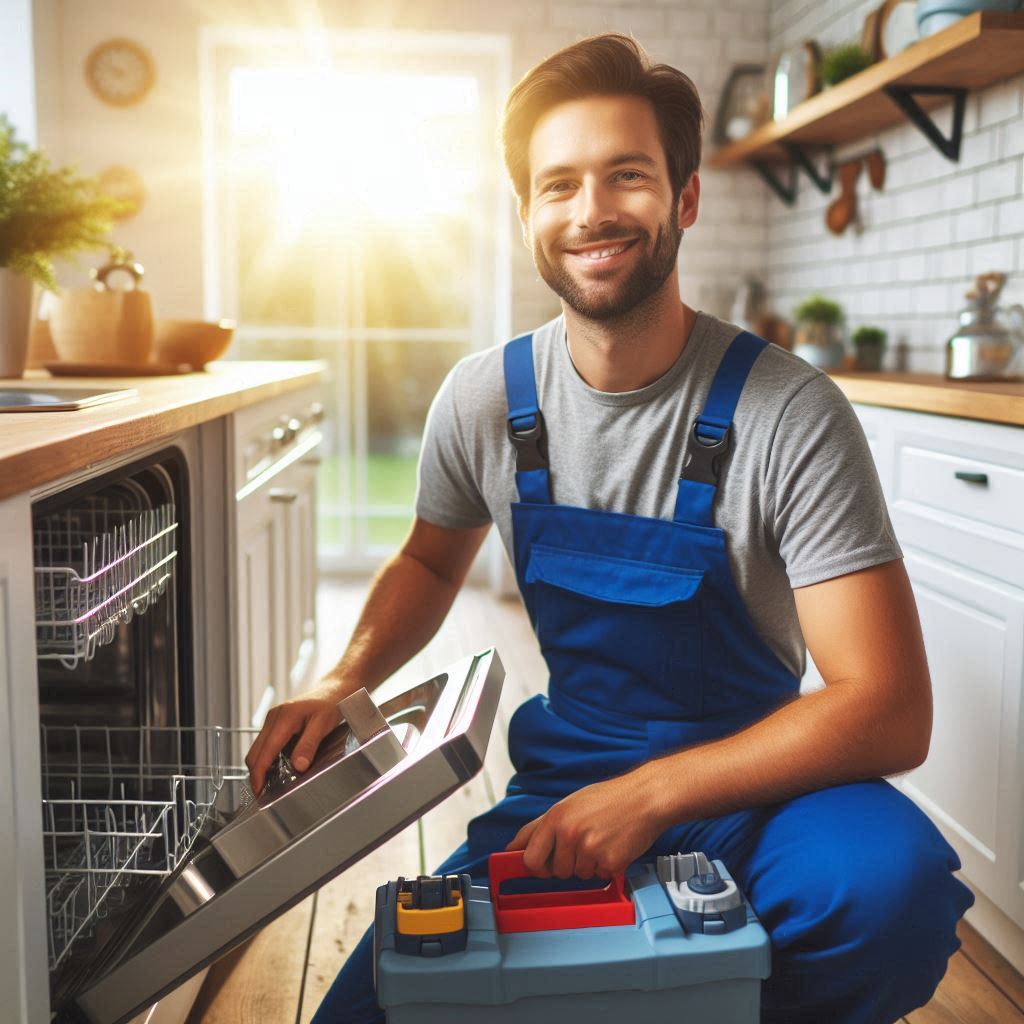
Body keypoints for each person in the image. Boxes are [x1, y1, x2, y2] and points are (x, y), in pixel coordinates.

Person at [246, 33, 973, 1024]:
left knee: (890, 893)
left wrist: (658, 792)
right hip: (570, 788)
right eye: (558, 185)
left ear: (684, 198)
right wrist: (343, 678)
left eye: (625, 175)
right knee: (377, 1007)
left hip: (762, 789)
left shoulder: (789, 412)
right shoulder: (483, 400)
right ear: (526, 216)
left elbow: (888, 706)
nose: (590, 210)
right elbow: (428, 558)